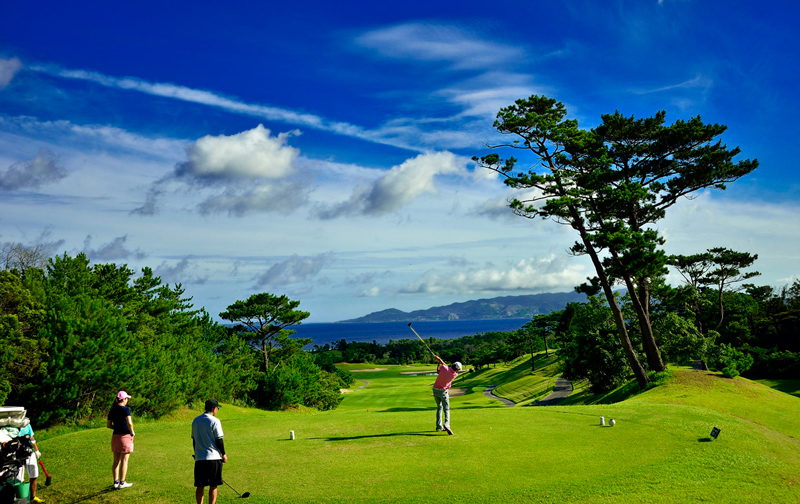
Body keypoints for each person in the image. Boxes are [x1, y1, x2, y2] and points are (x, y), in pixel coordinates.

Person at [192, 399, 227, 504]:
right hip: (213, 458)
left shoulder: (196, 420)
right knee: (213, 485)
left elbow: (194, 440)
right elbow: (219, 439)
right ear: (214, 409)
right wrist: (224, 454)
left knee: (200, 485)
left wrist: (196, 453)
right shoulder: (215, 421)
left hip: (200, 458)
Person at [107, 390, 135, 490]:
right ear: (123, 399)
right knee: (124, 461)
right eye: (126, 398)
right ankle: (122, 482)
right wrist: (132, 432)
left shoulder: (112, 410)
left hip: (115, 437)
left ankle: (116, 482)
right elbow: (130, 423)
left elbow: (109, 425)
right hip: (125, 437)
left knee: (116, 461)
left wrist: (117, 427)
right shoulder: (126, 409)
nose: (127, 400)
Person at [432, 355, 462, 435]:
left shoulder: (445, 368)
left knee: (439, 408)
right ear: (457, 369)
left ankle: (438, 427)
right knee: (446, 409)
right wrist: (439, 360)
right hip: (443, 392)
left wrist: (439, 360)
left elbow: (440, 370)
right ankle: (446, 424)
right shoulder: (454, 375)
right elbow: (444, 367)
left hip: (435, 390)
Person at [17, 421, 44, 503]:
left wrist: (36, 450)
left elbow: (32, 437)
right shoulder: (12, 427)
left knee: (34, 475)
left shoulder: (27, 424)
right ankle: (20, 500)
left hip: (29, 452)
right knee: (19, 478)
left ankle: (33, 497)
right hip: (18, 454)